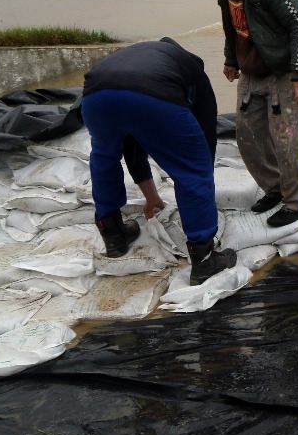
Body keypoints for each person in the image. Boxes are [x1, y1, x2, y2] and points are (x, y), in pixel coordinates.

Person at [81, 38, 236, 284]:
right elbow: (205, 138)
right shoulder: (193, 71)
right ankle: (204, 257)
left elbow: (130, 142)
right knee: (193, 170)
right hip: (151, 96)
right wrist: (201, 172)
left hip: (95, 96)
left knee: (104, 157)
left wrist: (151, 195)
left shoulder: (141, 54)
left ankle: (113, 235)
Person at [211, 0, 298, 228]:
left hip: (283, 70)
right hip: (252, 69)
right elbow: (230, 22)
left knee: (289, 139)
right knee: (248, 135)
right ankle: (276, 189)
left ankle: (297, 203)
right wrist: (231, 58)